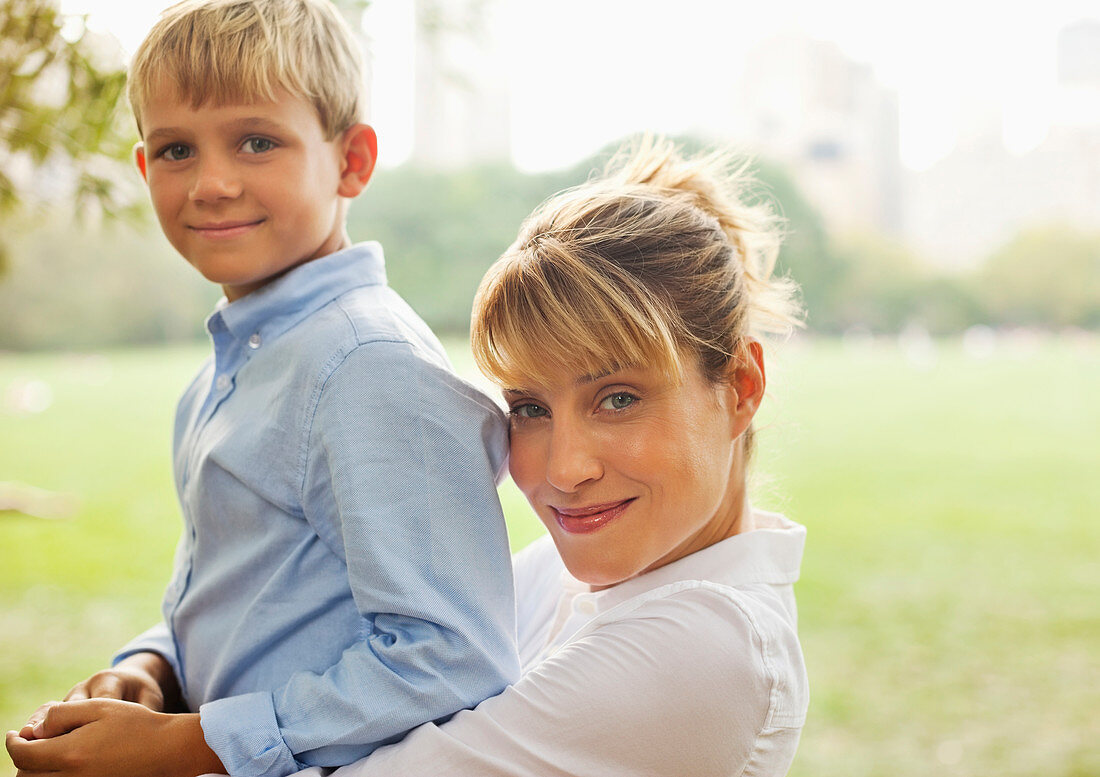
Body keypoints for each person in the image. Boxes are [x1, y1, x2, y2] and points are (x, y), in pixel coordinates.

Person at [5, 1, 519, 775]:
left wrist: (187, 743)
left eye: (256, 141)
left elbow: (454, 656)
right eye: (177, 149)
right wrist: (150, 671)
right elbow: (233, 597)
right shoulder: (227, 364)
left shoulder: (368, 365)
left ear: (351, 160)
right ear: (144, 169)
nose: (211, 183)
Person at [291, 136, 810, 776]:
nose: (564, 471)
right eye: (530, 408)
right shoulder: (579, 572)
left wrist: (160, 744)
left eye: (618, 399)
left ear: (740, 388)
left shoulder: (710, 649)